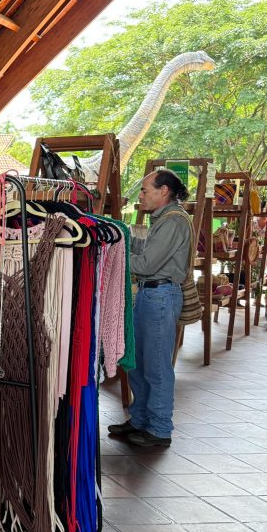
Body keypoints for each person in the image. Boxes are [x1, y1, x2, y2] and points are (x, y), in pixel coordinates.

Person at [109, 169, 192, 448]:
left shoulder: (173, 221)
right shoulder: (164, 220)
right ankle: (140, 420)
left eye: (145, 190)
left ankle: (159, 429)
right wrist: (119, 236)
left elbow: (146, 264)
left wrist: (113, 256)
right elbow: (148, 249)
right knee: (138, 363)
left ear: (163, 191)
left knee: (156, 366)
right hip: (151, 295)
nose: (141, 196)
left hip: (160, 296)